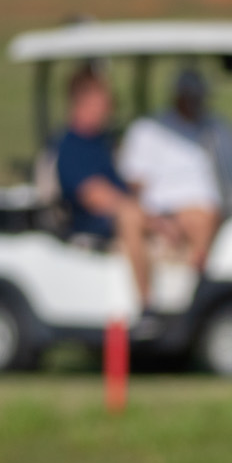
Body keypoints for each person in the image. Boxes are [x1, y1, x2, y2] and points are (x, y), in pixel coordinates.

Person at [53, 65, 156, 315]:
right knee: (130, 216)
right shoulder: (71, 149)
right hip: (93, 224)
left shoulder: (102, 141)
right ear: (83, 101)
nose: (110, 107)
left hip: (122, 214)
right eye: (105, 100)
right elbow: (97, 197)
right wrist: (153, 220)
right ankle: (146, 305)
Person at [117, 67, 222, 270]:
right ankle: (191, 284)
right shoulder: (148, 130)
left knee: (207, 216)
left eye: (198, 97)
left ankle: (200, 278)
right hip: (162, 209)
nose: (195, 103)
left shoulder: (213, 126)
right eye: (190, 96)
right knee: (201, 217)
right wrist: (158, 221)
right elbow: (134, 183)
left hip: (202, 209)